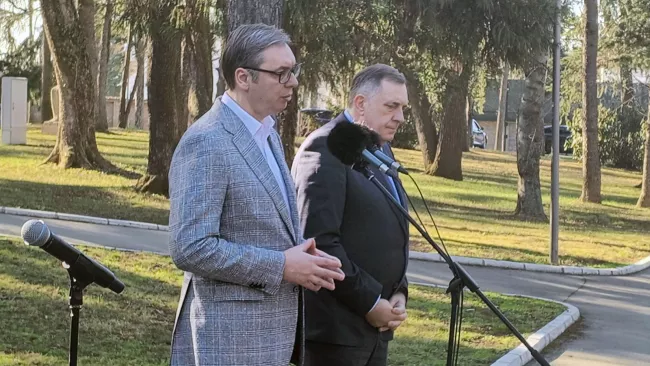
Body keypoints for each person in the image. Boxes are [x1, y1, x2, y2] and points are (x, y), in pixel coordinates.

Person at [168, 24, 345, 366]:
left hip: (270, 340)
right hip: (228, 343)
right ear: (243, 78)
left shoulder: (267, 133)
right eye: (281, 73)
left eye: (293, 71)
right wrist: (281, 266)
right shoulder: (207, 141)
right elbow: (189, 247)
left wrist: (298, 256)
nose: (292, 82)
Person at [291, 64, 410, 366]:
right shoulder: (325, 149)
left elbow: (387, 231)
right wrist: (370, 302)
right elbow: (319, 243)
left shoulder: (379, 147)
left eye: (402, 107)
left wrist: (399, 292)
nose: (400, 116)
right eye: (391, 106)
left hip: (375, 328)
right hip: (335, 336)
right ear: (360, 103)